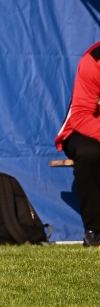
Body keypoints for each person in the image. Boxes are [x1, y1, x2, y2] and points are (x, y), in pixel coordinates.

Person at [56, 40, 100, 246]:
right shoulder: (93, 60)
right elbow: (81, 116)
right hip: (82, 128)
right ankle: (95, 231)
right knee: (89, 153)